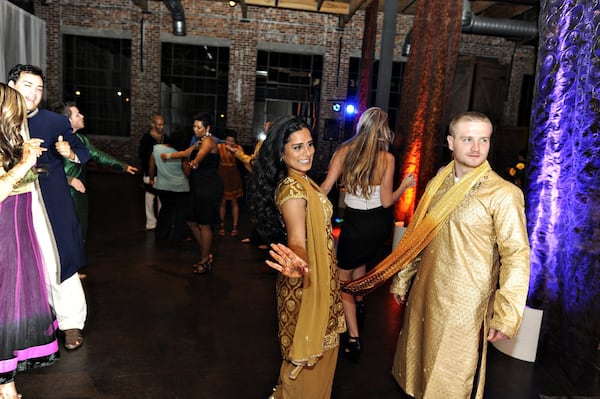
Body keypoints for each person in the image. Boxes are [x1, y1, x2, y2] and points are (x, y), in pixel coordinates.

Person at [377, 112, 530, 398]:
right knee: (417, 373)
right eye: (467, 139)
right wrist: (403, 278)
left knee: (450, 380)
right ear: (451, 142)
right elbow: (420, 236)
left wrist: (507, 314)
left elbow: (517, 255)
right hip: (426, 294)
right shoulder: (440, 183)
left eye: (483, 140)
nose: (476, 147)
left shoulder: (503, 193)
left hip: (464, 306)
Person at [247, 116, 346, 399]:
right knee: (304, 372)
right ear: (282, 152)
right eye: (298, 147)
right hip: (305, 288)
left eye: (310, 145)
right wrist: (298, 258)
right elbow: (297, 239)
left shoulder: (304, 182)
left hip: (315, 282)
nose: (308, 153)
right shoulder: (292, 190)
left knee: (315, 367)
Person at [320, 107, 416, 357]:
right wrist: (405, 185)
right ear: (384, 130)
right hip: (378, 225)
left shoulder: (343, 151)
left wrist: (306, 202)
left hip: (355, 224)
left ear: (360, 125)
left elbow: (326, 187)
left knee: (343, 282)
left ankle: (353, 337)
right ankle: (359, 305)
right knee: (359, 262)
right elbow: (386, 202)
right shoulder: (387, 159)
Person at [8, 64, 90, 351]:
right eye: (28, 85)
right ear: (12, 84)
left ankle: (71, 323)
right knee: (24, 264)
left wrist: (70, 153)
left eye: (39, 88)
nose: (34, 93)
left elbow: (82, 151)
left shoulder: (54, 121)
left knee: (58, 259)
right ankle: (37, 321)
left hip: (49, 203)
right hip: (11, 202)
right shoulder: (3, 119)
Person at [0, 83, 60, 399]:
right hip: (3, 239)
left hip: (18, 237)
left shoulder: (9, 144)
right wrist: (23, 165)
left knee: (9, 313)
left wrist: (25, 156)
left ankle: (7, 386)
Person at [54, 101, 138, 240]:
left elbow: (98, 155)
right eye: (77, 114)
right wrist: (69, 180)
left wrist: (122, 166)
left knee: (79, 233)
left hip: (79, 196)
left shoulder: (81, 139)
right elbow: (46, 169)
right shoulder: (54, 140)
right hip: (61, 194)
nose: (82, 116)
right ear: (67, 120)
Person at [161, 113, 223, 274]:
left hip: (208, 185)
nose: (195, 129)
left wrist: (195, 162)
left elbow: (200, 156)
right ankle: (206, 252)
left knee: (204, 223)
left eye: (199, 127)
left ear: (207, 128)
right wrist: (167, 155)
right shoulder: (198, 141)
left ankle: (204, 260)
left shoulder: (209, 141)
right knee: (191, 221)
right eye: (194, 126)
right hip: (197, 184)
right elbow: (186, 152)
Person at [148, 129, 190, 242]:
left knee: (165, 210)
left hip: (162, 187)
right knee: (180, 212)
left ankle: (161, 235)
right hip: (181, 188)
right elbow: (187, 172)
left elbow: (151, 165)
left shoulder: (156, 149)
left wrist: (151, 178)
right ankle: (179, 236)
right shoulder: (180, 153)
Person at [138, 115, 164, 231]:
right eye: (159, 124)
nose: (161, 127)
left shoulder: (165, 137)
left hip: (162, 174)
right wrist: (149, 174)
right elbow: (143, 157)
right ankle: (150, 223)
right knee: (149, 198)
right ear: (153, 124)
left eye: (163, 124)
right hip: (150, 174)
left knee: (162, 200)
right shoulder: (146, 139)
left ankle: (162, 222)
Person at [217, 130, 244, 237]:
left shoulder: (238, 148)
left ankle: (235, 227)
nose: (230, 143)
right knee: (222, 201)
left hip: (233, 175)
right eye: (228, 140)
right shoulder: (220, 147)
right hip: (222, 174)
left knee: (234, 201)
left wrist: (234, 150)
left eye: (232, 141)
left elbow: (244, 158)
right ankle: (221, 226)